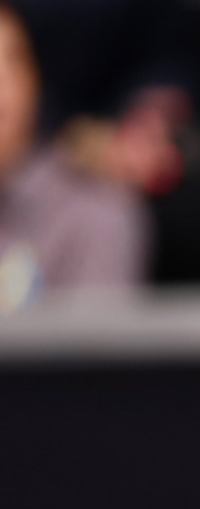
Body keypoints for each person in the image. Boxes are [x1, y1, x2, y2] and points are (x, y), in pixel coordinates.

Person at [0, 2, 148, 310]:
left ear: (34, 81)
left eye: (12, 61)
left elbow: (96, 351)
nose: (1, 85)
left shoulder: (94, 210)